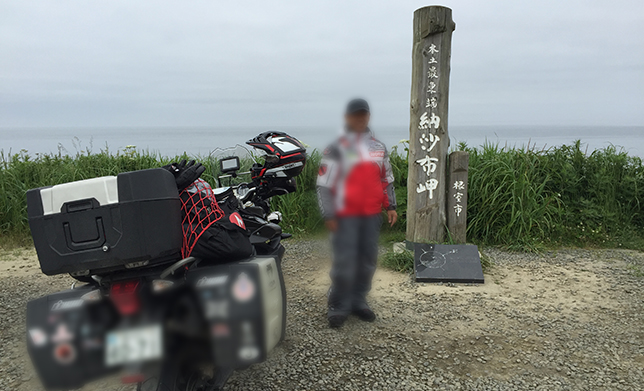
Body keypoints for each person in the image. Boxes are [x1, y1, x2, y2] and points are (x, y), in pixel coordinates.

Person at [316, 98, 398, 329]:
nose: (360, 118)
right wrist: (329, 215)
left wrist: (390, 206)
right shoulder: (335, 148)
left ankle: (358, 300)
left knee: (367, 260)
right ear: (347, 118)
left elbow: (386, 180)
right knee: (345, 261)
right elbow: (323, 185)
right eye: (355, 115)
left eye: (364, 114)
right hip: (344, 216)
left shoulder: (379, 148)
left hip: (371, 214)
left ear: (368, 117)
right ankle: (338, 305)